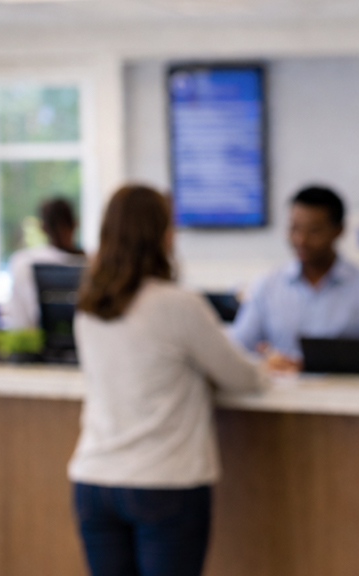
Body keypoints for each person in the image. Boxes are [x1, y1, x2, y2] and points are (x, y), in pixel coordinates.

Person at [70, 185, 287, 576]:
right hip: (163, 483)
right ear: (159, 235)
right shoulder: (178, 305)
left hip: (94, 480)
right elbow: (241, 378)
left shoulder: (88, 308)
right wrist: (267, 365)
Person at [230, 185, 359, 374]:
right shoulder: (267, 286)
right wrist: (262, 363)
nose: (301, 240)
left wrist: (310, 365)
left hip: (346, 399)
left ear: (339, 230)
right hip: (281, 399)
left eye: (313, 231)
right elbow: (234, 352)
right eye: (294, 229)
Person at [3, 197, 85, 329]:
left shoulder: (23, 262)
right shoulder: (93, 263)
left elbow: (19, 322)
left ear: (43, 228)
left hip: (40, 344)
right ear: (76, 224)